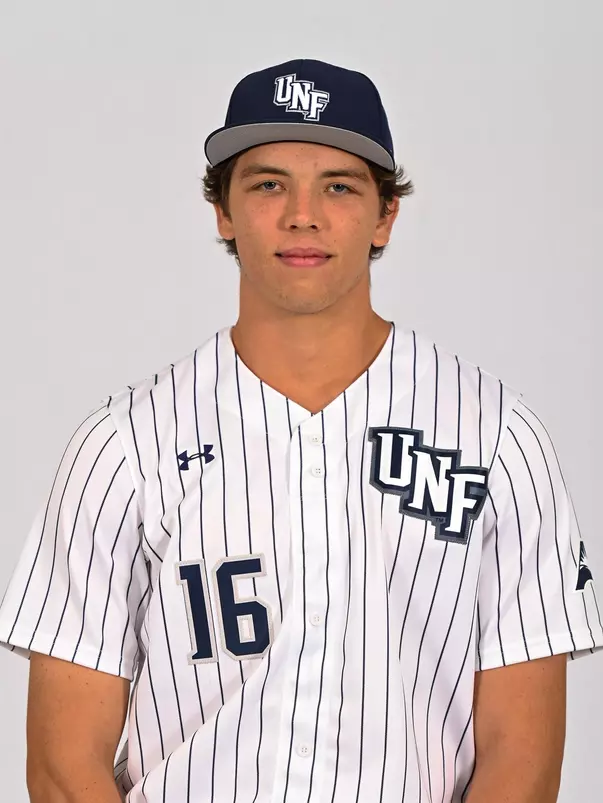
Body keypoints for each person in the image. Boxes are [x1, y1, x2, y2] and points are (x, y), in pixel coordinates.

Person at [0, 58, 600, 803]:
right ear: (223, 210)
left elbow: (523, 760)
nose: (302, 215)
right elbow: (63, 768)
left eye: (339, 187)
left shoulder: (497, 439)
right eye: (268, 184)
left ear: (386, 213)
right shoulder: (123, 447)